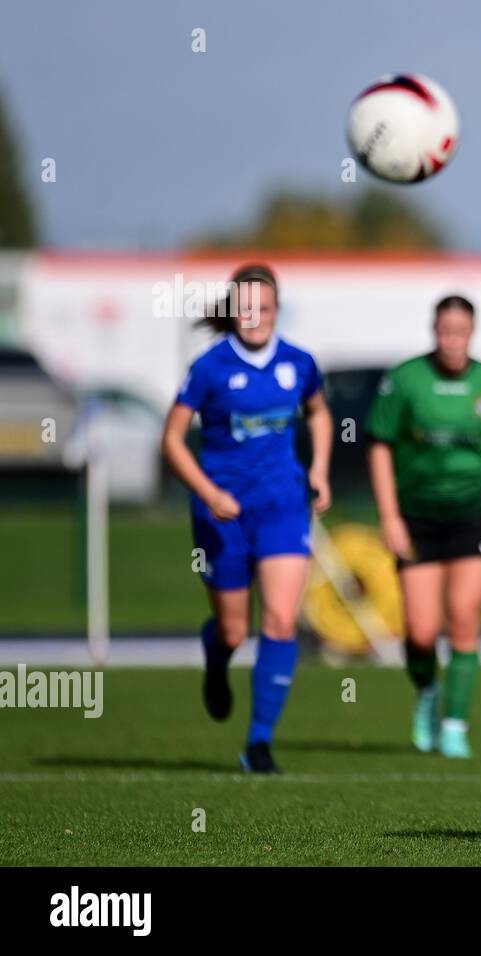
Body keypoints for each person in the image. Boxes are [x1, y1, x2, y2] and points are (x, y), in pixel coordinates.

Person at [161, 263, 333, 774]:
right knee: (235, 631)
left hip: (282, 505)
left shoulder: (299, 363)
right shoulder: (209, 368)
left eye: (265, 307)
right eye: (247, 307)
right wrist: (209, 492)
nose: (256, 317)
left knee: (281, 619)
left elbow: (320, 412)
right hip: (223, 512)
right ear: (233, 311)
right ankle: (217, 655)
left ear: (279, 310)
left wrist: (319, 467)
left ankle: (258, 743)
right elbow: (171, 440)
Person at [367, 295, 481, 758]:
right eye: (445, 331)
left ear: (472, 333)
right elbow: (379, 446)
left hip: (473, 512)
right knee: (421, 631)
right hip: (416, 516)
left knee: (466, 616)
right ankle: (428, 694)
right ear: (434, 331)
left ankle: (455, 723)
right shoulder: (405, 380)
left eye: (461, 332)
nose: (452, 340)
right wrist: (389, 516)